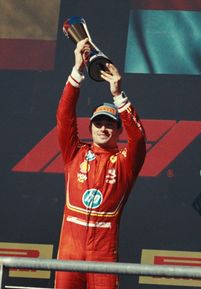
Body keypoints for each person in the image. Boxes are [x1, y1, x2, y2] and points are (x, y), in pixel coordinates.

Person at [55, 38, 146, 289]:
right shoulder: (75, 152)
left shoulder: (124, 162)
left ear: (118, 131)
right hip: (69, 256)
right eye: (99, 123)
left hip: (103, 256)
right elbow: (64, 117)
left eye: (110, 124)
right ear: (91, 127)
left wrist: (118, 95)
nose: (104, 128)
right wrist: (77, 71)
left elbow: (138, 138)